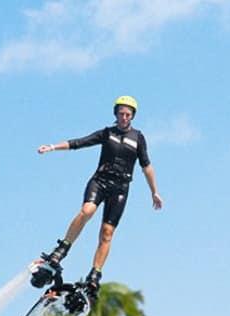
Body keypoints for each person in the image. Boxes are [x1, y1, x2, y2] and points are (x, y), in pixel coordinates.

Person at [32, 95, 163, 297]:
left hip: (120, 189)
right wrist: (52, 147)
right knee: (87, 210)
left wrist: (154, 191)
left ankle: (95, 273)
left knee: (107, 233)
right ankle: (62, 249)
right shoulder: (106, 133)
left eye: (128, 114)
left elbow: (147, 166)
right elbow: (80, 142)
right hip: (100, 181)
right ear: (116, 114)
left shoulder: (138, 138)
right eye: (121, 113)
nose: (124, 117)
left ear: (133, 116)